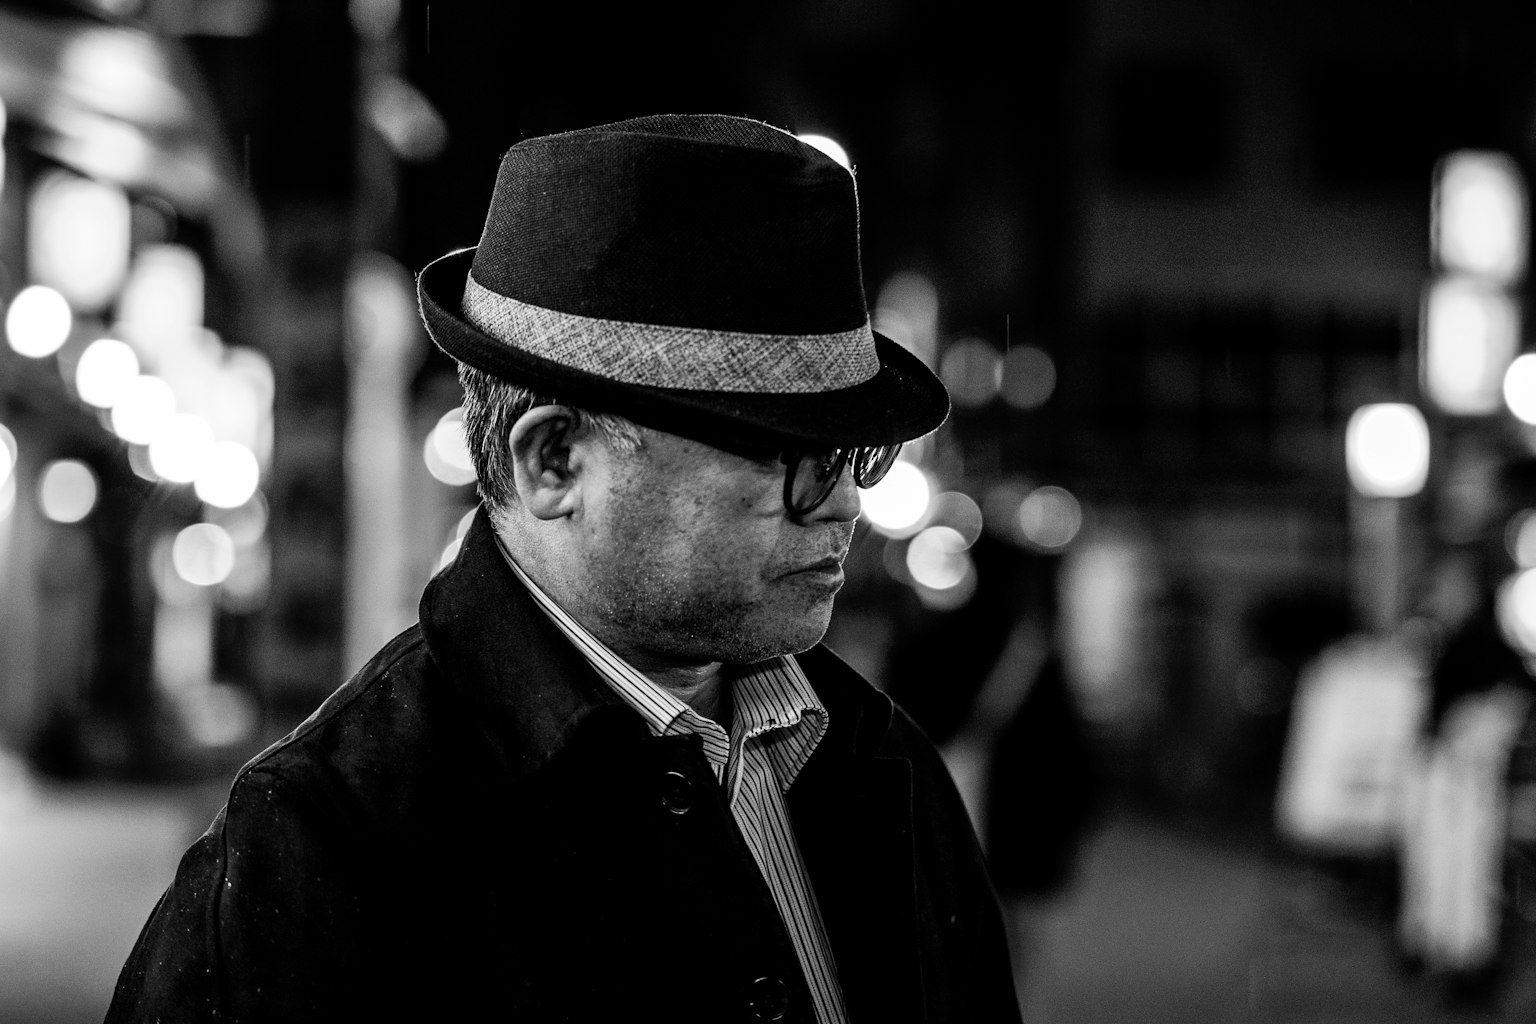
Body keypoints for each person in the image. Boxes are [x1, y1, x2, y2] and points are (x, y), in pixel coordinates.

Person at [106, 114, 1022, 1024]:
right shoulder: (324, 850)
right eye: (794, 455)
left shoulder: (880, 766)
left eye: (857, 451)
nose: (845, 503)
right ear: (554, 463)